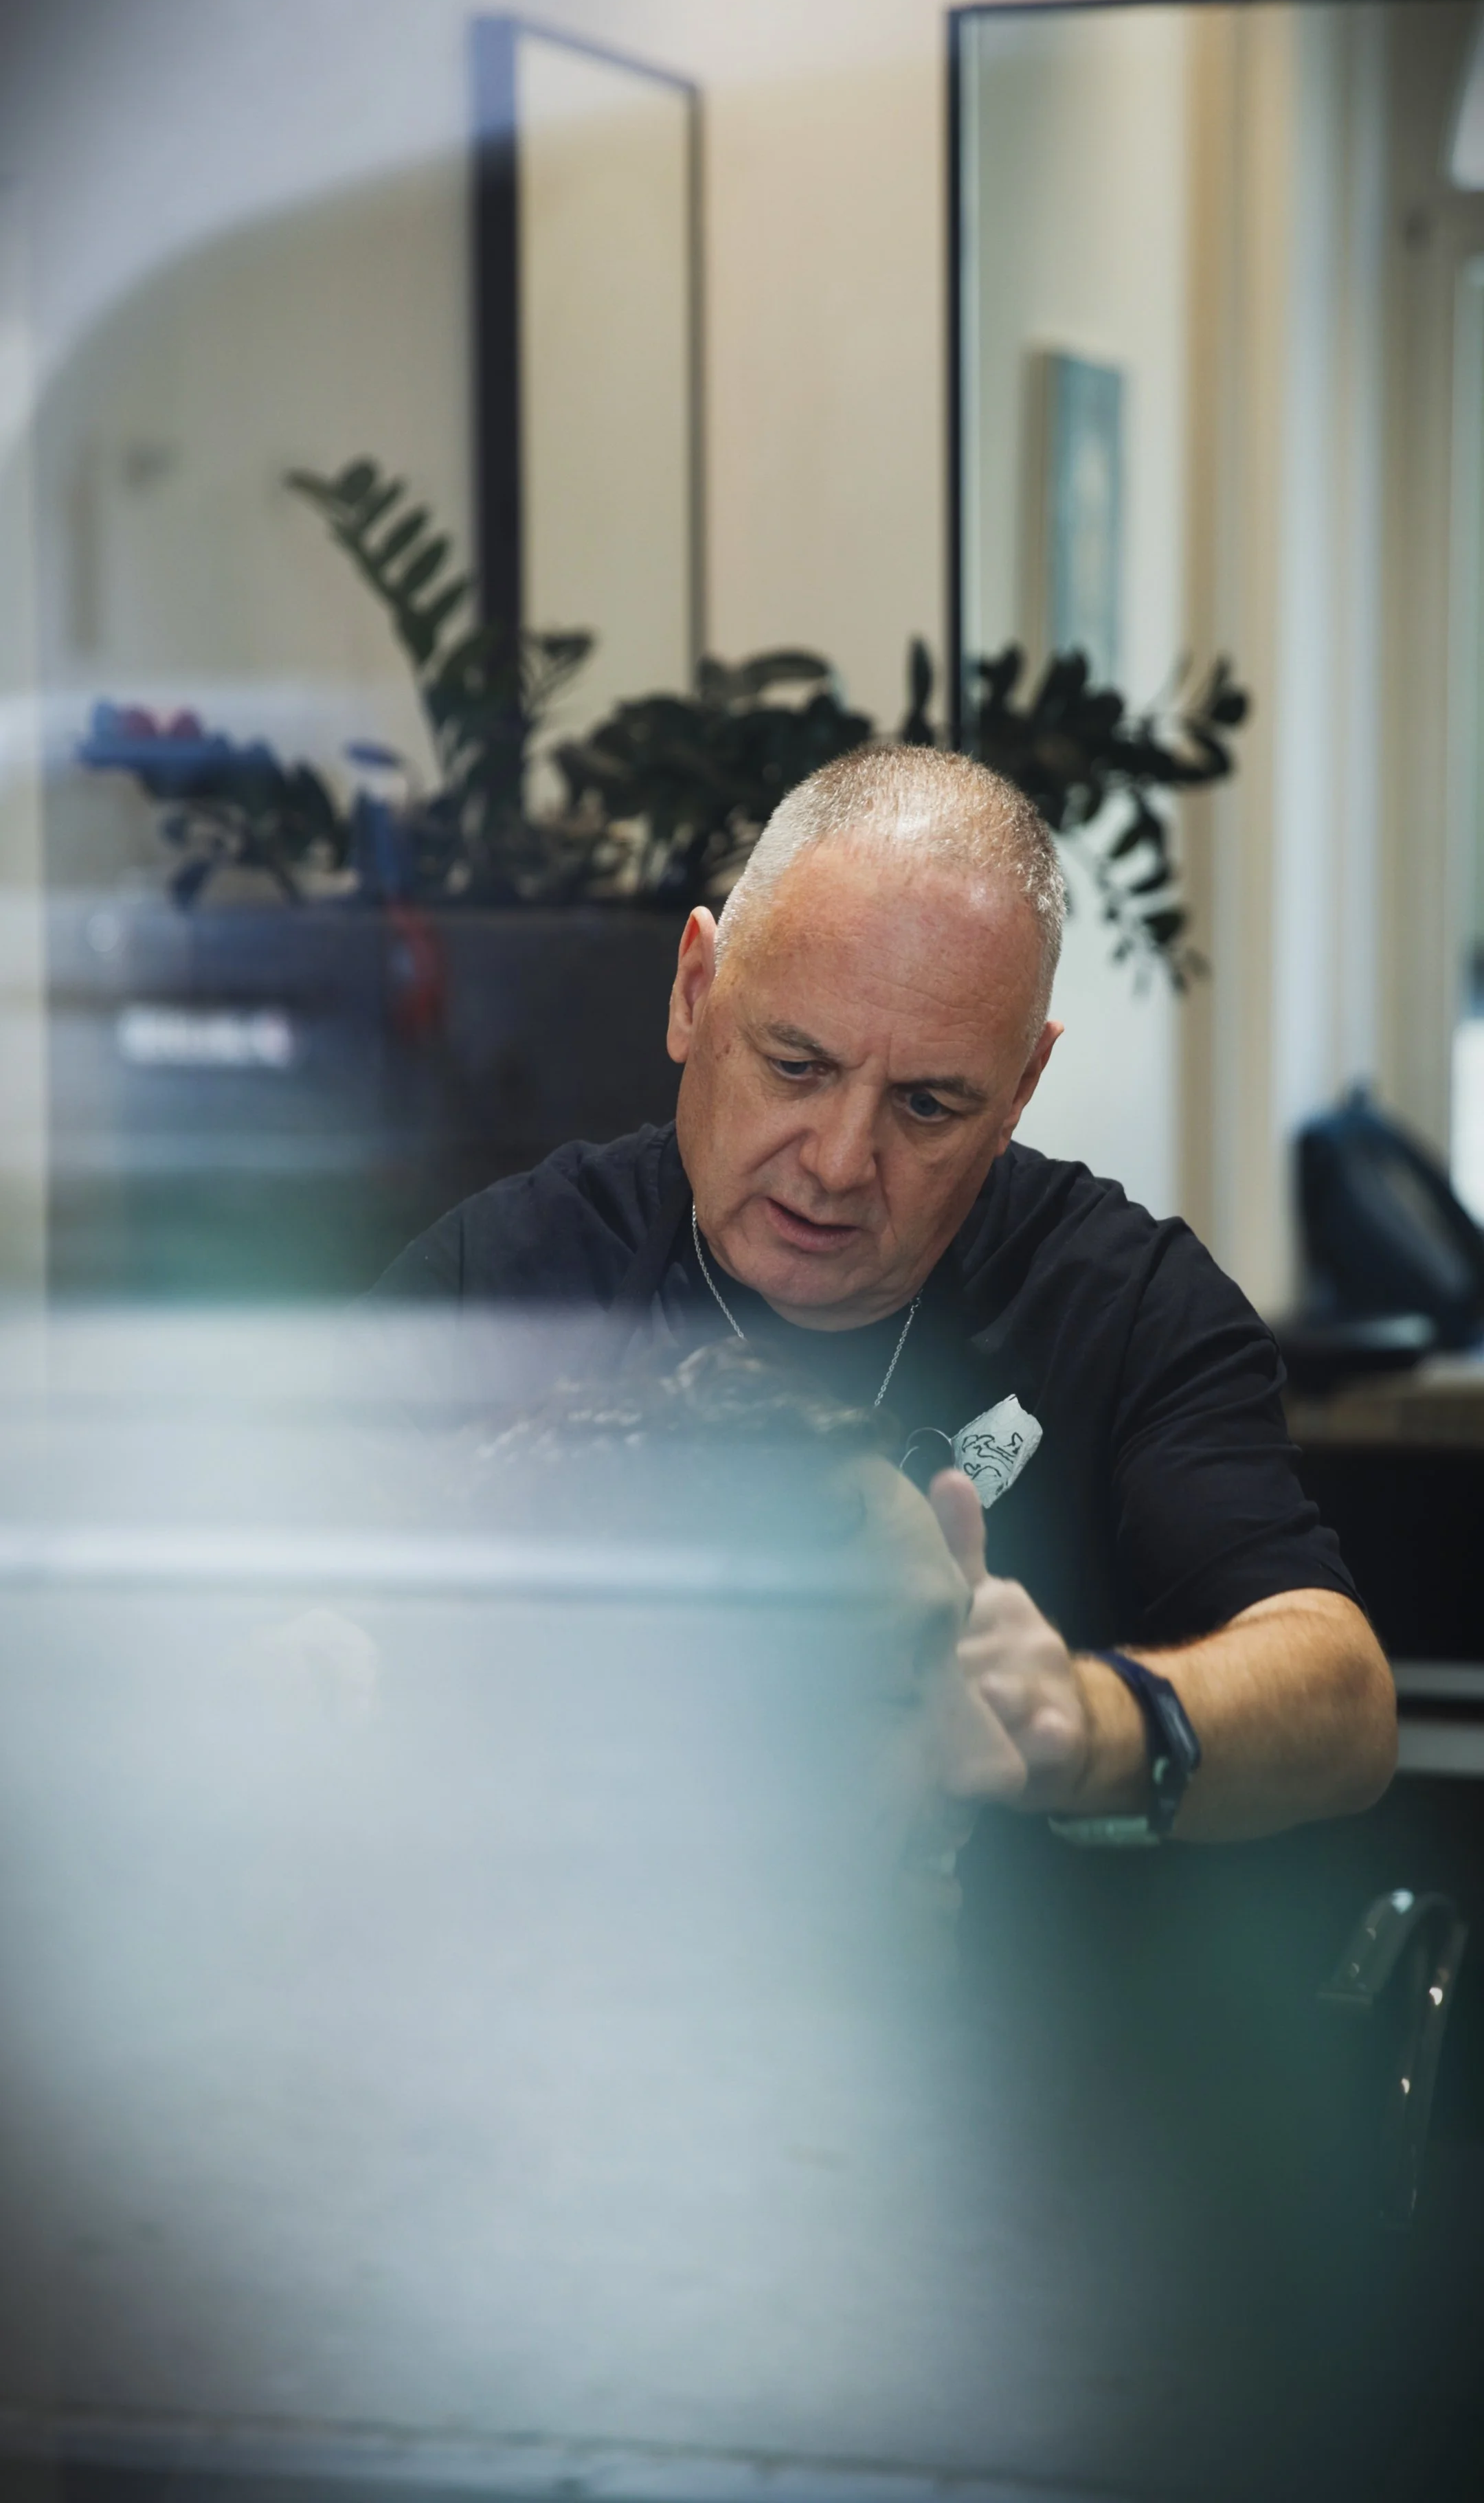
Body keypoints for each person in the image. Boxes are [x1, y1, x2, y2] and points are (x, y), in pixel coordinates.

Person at [377, 745, 1397, 1845]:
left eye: (926, 1107)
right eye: (796, 1066)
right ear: (695, 991)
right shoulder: (511, 1276)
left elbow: (1344, 1702)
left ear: (1021, 1089)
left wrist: (1089, 1722)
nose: (838, 1162)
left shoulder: (1124, 1304)